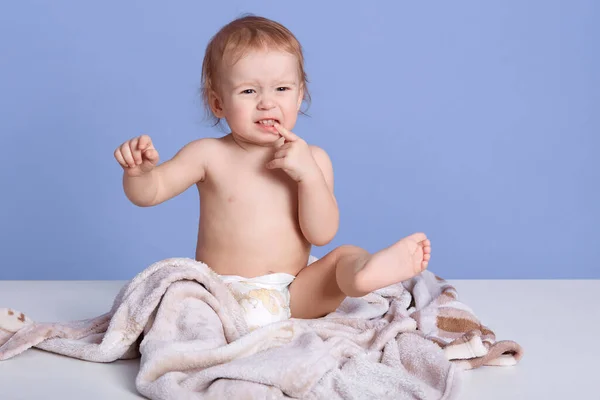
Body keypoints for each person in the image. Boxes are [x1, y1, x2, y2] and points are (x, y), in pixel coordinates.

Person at [113, 15, 431, 331]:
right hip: (221, 297)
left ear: (299, 95)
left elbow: (321, 234)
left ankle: (363, 275)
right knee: (183, 300)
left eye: (281, 88)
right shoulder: (207, 154)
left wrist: (308, 176)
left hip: (294, 296)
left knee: (343, 257)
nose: (267, 103)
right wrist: (139, 174)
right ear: (217, 103)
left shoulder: (314, 160)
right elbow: (151, 193)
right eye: (249, 92)